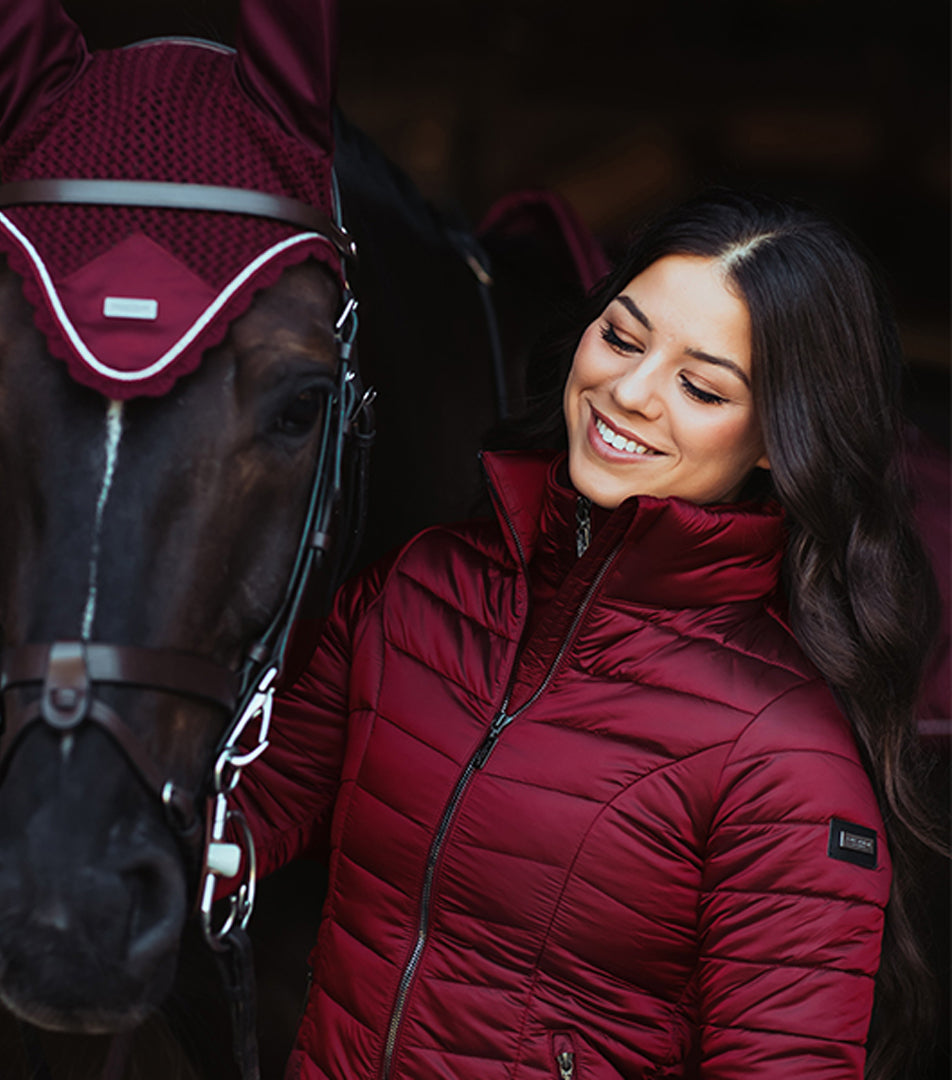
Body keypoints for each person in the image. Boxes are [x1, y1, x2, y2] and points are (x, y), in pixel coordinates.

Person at [234, 190, 943, 1079]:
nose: (631, 391)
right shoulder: (422, 589)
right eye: (621, 336)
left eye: (700, 385)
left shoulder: (786, 760)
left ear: (775, 440)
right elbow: (248, 819)